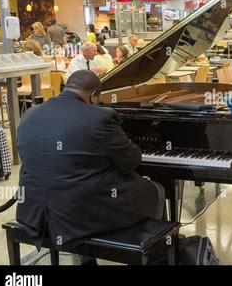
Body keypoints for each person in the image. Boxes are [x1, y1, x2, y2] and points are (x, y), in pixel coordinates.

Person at [16, 70, 165, 263]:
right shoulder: (100, 118)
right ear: (93, 96)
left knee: (84, 187)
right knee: (157, 190)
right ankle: (157, 256)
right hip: (78, 215)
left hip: (34, 212)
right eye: (99, 99)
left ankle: (86, 260)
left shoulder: (29, 114)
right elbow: (131, 162)